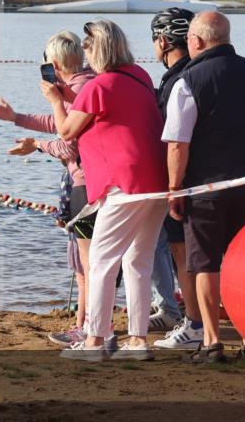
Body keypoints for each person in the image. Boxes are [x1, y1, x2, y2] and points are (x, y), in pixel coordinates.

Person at [162, 11, 245, 363]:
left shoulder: (189, 81)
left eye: (189, 39)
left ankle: (213, 342)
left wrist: (175, 188)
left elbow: (177, 143)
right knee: (244, 262)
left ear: (198, 41)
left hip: (204, 190)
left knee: (205, 264)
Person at [42, 19, 168, 361]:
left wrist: (55, 99)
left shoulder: (100, 86)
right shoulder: (138, 76)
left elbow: (67, 131)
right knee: (137, 260)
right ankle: (138, 341)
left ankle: (95, 340)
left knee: (100, 260)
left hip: (123, 185)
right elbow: (99, 105)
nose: (84, 55)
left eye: (87, 48)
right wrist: (68, 95)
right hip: (156, 182)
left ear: (97, 49)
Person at [0, 31, 99, 347]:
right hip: (91, 183)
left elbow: (69, 145)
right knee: (91, 265)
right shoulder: (84, 84)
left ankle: (88, 328)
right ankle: (87, 324)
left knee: (88, 266)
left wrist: (36, 146)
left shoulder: (78, 88)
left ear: (53, 64)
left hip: (86, 184)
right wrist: (16, 118)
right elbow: (58, 123)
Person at [147, 8, 206, 350]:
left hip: (184, 180)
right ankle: (194, 319)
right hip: (215, 176)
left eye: (155, 40)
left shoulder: (175, 81)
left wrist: (172, 186)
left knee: (183, 254)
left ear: (164, 41)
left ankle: (193, 324)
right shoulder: (199, 70)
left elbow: (174, 139)